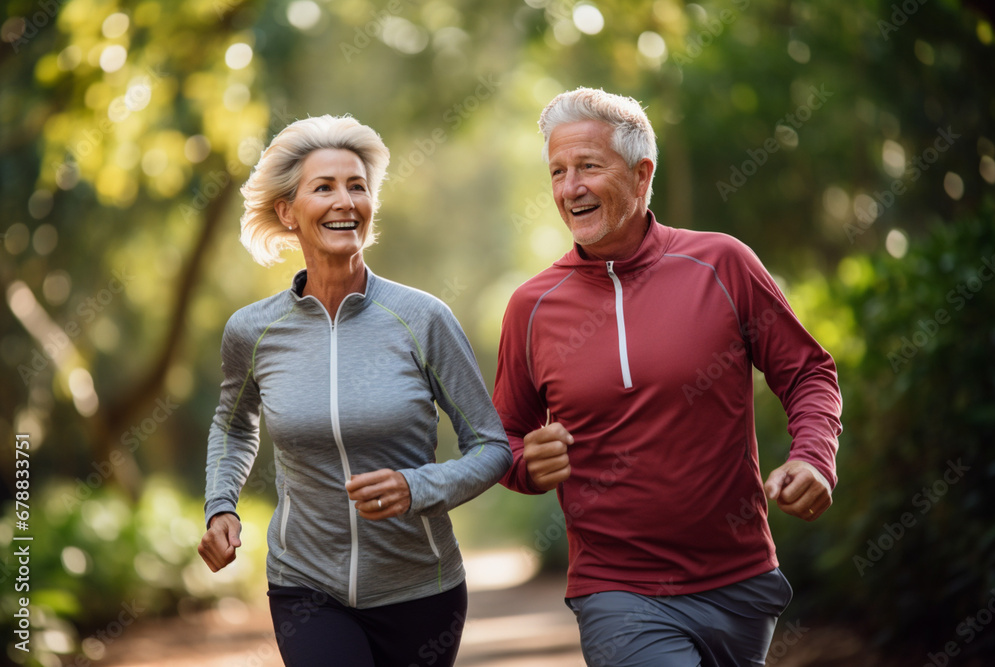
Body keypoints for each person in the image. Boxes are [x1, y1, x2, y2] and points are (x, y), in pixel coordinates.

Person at [493, 88, 842, 666]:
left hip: (740, 580)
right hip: (615, 587)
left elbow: (807, 370)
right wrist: (525, 464)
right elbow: (498, 437)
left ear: (640, 174)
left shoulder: (722, 264)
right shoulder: (533, 306)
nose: (569, 188)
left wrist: (813, 456)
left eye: (587, 167)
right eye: (557, 171)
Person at [197, 114, 511, 667]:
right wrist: (220, 506)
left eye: (358, 186)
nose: (346, 201)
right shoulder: (253, 331)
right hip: (305, 585)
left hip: (422, 589)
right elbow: (233, 421)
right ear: (287, 212)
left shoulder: (422, 319)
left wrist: (418, 487)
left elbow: (492, 446)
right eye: (325, 187)